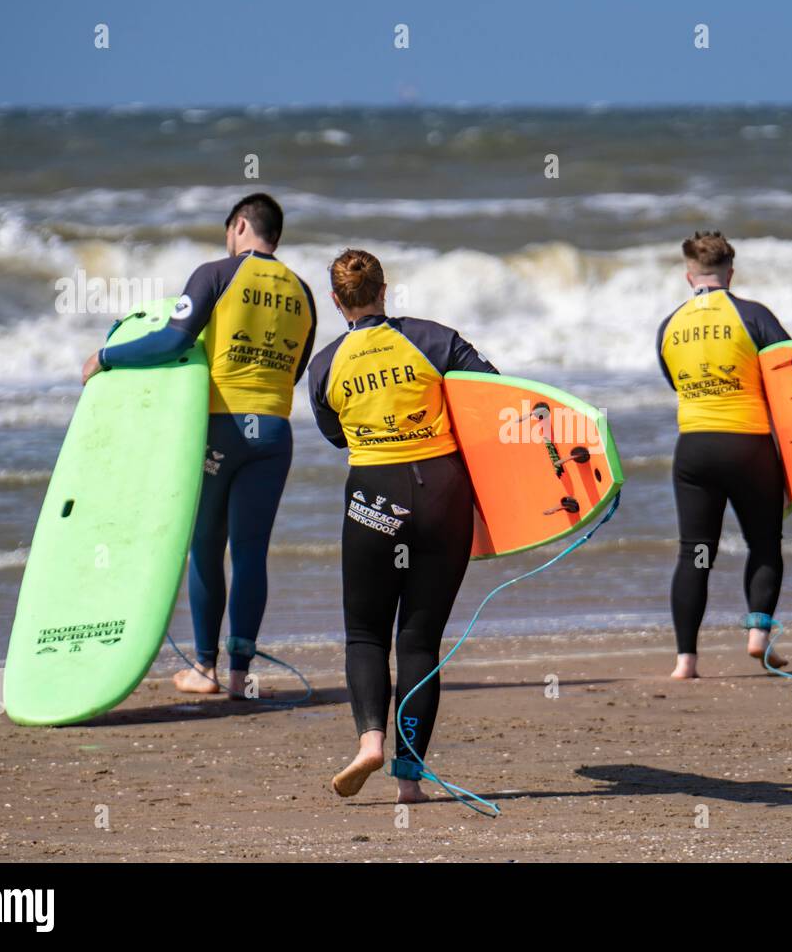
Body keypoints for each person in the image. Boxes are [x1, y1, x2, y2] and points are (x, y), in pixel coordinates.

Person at [82, 193, 317, 694]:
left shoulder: (216, 273)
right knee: (251, 552)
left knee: (207, 546)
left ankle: (205, 669)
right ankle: (239, 676)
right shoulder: (303, 292)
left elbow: (173, 341)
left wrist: (106, 356)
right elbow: (294, 371)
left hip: (220, 429)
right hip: (274, 432)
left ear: (238, 226)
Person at [308, 248, 497, 804]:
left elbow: (336, 435)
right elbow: (492, 394)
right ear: (384, 290)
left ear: (337, 301)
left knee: (365, 633)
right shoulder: (435, 339)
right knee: (418, 639)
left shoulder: (326, 364)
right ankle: (409, 778)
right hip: (443, 496)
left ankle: (370, 741)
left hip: (373, 500)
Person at [656, 231, 792, 679]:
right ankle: (758, 634)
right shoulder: (752, 315)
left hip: (694, 451)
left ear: (688, 275)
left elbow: (677, 384)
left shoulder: (670, 325)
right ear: (730, 273)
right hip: (748, 447)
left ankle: (685, 662)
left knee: (695, 552)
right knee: (764, 542)